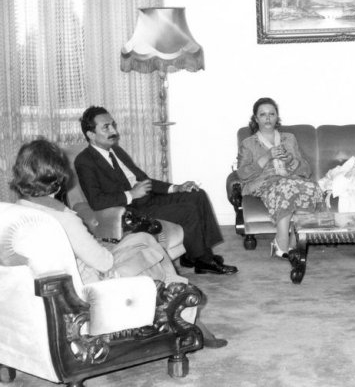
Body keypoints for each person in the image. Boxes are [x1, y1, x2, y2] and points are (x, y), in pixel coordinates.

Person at [11, 138, 228, 348]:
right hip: (93, 285)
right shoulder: (65, 219)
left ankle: (181, 299)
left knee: (143, 238)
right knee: (149, 253)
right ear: (58, 177)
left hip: (58, 282)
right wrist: (106, 247)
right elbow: (104, 263)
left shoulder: (17, 211)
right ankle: (184, 308)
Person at [74, 106, 237, 275]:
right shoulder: (84, 161)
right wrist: (131, 194)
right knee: (188, 210)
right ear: (91, 134)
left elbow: (145, 181)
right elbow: (96, 201)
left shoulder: (116, 151)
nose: (114, 131)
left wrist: (176, 187)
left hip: (148, 198)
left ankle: (193, 255)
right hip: (133, 210)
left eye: (113, 125)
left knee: (197, 194)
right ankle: (203, 260)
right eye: (106, 127)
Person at [236, 97, 323, 258]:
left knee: (311, 187)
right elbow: (242, 174)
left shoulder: (289, 138)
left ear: (277, 117)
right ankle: (281, 241)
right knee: (286, 187)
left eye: (272, 114)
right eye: (263, 114)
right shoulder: (248, 144)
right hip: (264, 182)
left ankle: (294, 242)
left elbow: (306, 170)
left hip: (291, 179)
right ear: (256, 119)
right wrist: (267, 157)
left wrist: (291, 160)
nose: (268, 118)